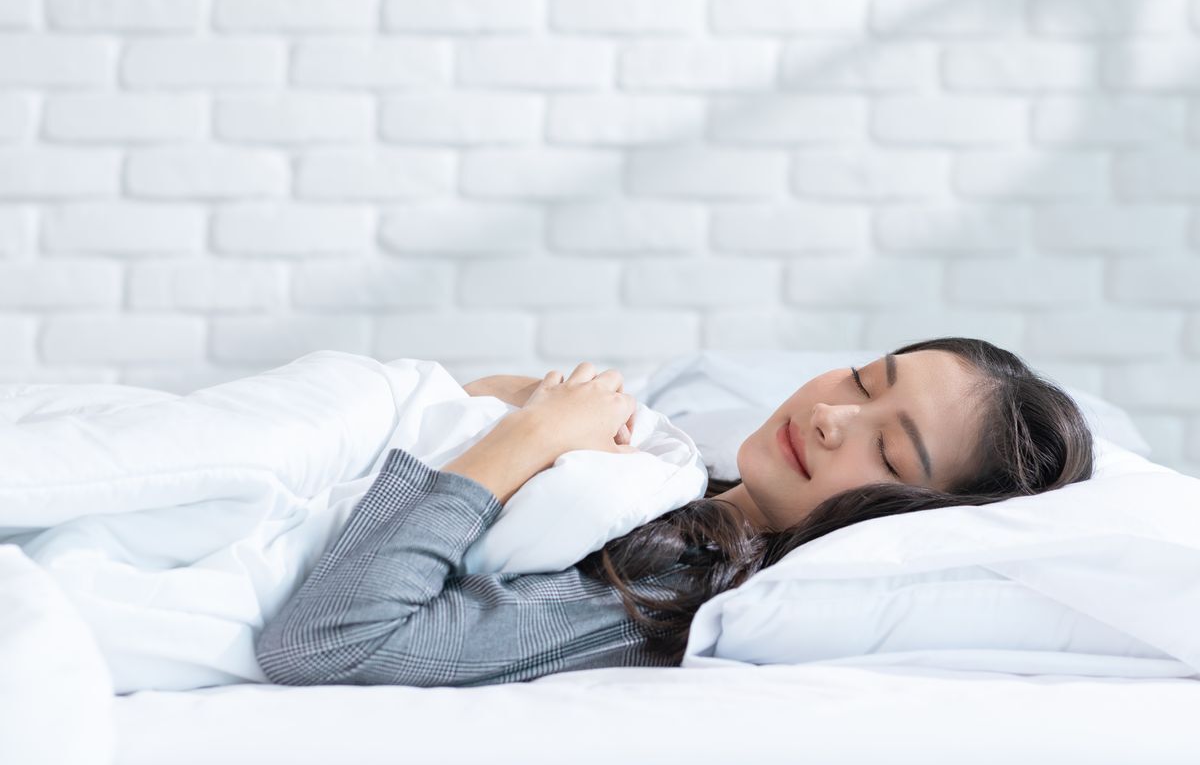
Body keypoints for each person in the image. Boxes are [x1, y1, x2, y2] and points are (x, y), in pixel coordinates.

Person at [255, 336, 1095, 688]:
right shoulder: (677, 472)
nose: (836, 416)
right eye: (865, 380)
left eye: (888, 453)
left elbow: (326, 642)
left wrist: (529, 437)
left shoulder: (671, 595)